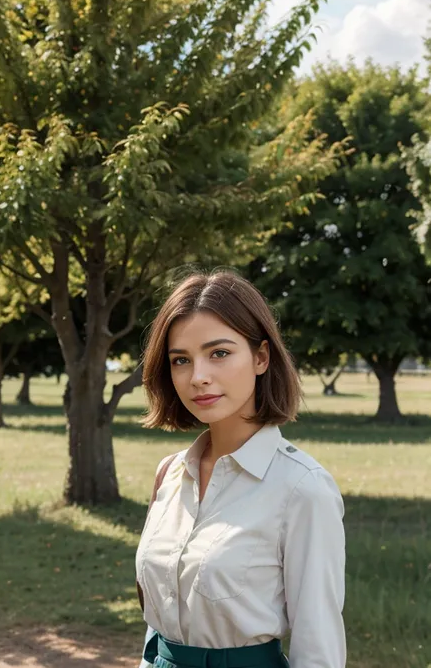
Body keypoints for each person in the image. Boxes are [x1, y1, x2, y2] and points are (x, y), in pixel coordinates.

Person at [136, 270, 346, 668]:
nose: (198, 377)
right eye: (181, 360)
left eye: (219, 353)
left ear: (261, 357)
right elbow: (159, 619)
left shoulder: (302, 488)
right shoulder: (170, 474)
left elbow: (319, 647)